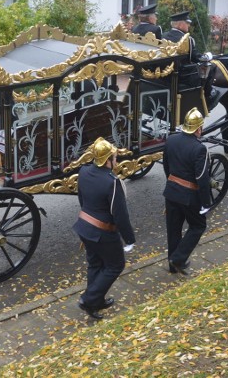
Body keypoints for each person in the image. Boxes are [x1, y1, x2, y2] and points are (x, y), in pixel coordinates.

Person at [72, 137, 135, 320]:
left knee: (95, 264)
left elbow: (82, 199)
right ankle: (88, 300)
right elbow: (120, 215)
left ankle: (96, 301)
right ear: (107, 160)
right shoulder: (112, 182)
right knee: (115, 265)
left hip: (84, 226)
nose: (116, 161)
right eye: (114, 157)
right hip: (103, 232)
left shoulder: (84, 171)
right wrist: (129, 239)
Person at [162, 108, 212, 274]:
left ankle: (173, 265)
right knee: (198, 226)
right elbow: (202, 179)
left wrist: (172, 183)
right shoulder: (200, 149)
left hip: (171, 191)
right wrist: (206, 202)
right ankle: (178, 258)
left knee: (173, 229)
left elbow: (167, 166)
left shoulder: (171, 140)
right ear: (198, 129)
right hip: (189, 196)